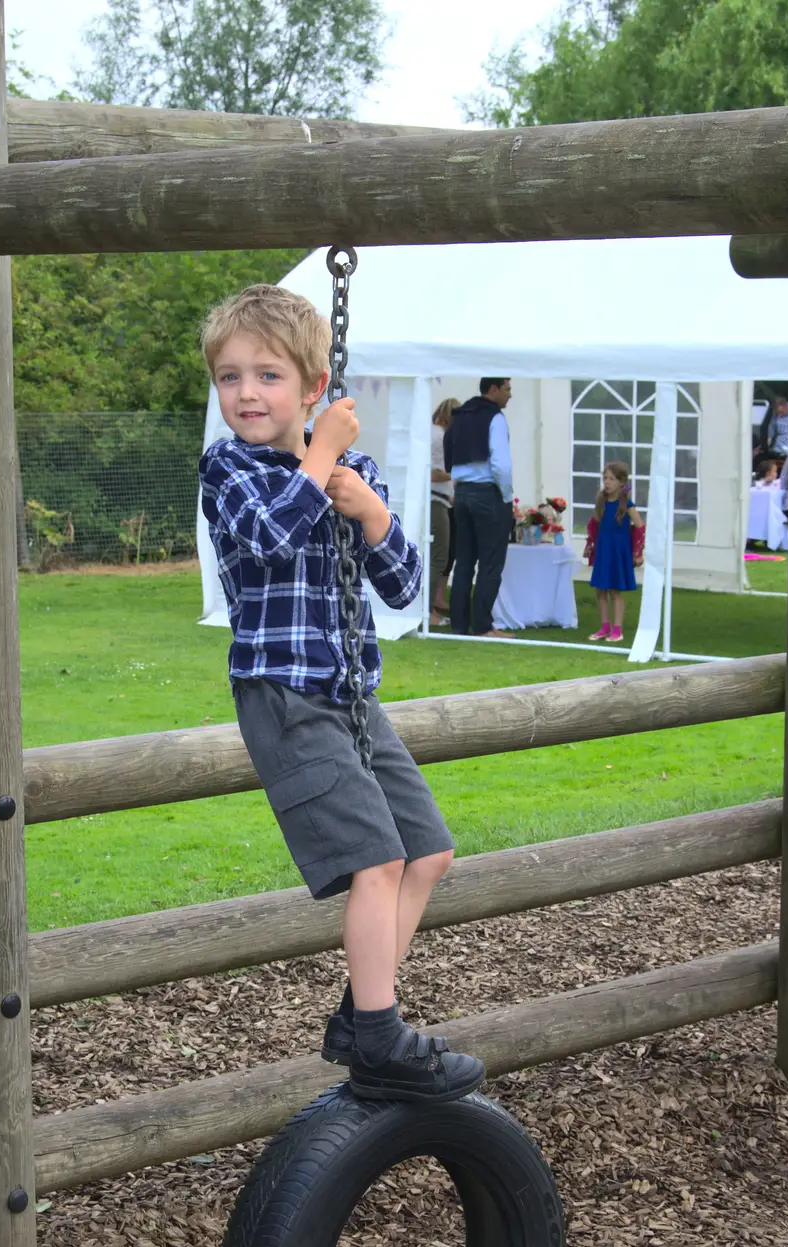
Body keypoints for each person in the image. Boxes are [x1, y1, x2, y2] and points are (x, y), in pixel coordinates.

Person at [198, 282, 485, 1104]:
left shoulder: (348, 469)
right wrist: (321, 456)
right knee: (377, 859)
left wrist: (372, 516)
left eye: (267, 375)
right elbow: (269, 534)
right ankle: (383, 1039)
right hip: (284, 696)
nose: (246, 394)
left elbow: (404, 588)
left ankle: (363, 1016)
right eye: (229, 377)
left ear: (314, 386)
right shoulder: (230, 468)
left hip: (351, 696)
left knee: (427, 852)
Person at [443, 378, 515, 636]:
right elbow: (501, 465)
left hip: (462, 494)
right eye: (507, 389)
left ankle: (460, 625)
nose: (510, 395)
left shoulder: (459, 415)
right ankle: (483, 626)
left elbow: (448, 456)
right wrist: (506, 498)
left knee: (464, 562)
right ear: (493, 390)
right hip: (488, 494)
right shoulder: (495, 418)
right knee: (490, 564)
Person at [583, 461, 644, 644]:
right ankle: (605, 627)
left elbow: (640, 526)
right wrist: (590, 544)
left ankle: (618, 630)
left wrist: (638, 552)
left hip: (618, 552)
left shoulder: (626, 505)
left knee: (615, 591)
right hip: (604, 550)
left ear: (621, 482)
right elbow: (594, 524)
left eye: (611, 479)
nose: (607, 482)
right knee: (600, 590)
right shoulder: (601, 502)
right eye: (605, 478)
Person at [429, 397, 459, 627]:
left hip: (438, 500)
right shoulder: (440, 437)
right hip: (436, 500)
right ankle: (428, 611)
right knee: (439, 556)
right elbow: (434, 473)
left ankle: (429, 608)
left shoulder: (433, 433)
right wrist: (459, 474)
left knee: (437, 556)